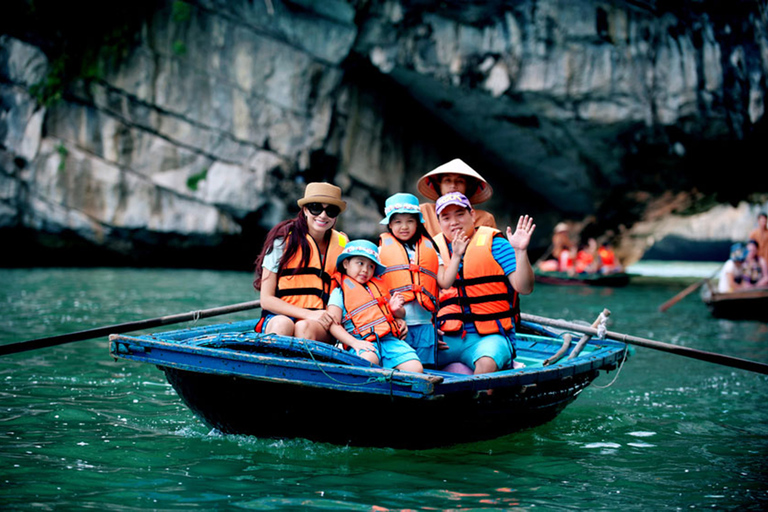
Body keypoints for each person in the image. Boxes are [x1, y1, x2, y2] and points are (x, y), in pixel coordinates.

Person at [432, 192, 536, 375]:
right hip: (447, 339)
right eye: (446, 217)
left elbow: (525, 288)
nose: (454, 222)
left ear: (472, 215)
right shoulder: (433, 251)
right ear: (439, 223)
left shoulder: (496, 244)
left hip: (489, 337)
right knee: (415, 357)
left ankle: (481, 398)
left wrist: (520, 252)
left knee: (486, 363)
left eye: (460, 214)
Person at [377, 193, 467, 367]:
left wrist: (456, 255)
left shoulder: (429, 249)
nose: (404, 227)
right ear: (389, 224)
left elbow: (445, 282)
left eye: (410, 221)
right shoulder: (380, 251)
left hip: (425, 325)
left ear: (418, 222)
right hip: (396, 325)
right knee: (398, 368)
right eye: (397, 222)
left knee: (424, 369)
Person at [253, 182, 348, 342]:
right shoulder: (282, 241)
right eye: (316, 208)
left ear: (336, 216)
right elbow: (266, 299)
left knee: (304, 328)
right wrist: (309, 314)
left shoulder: (343, 244)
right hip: (281, 315)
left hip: (321, 322)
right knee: (283, 325)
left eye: (330, 210)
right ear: (305, 210)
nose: (323, 215)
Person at [327, 240, 424, 373]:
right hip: (361, 341)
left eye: (371, 266)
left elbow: (400, 315)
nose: (365, 270)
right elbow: (333, 324)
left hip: (390, 341)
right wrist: (355, 343)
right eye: (360, 263)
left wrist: (397, 311)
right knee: (368, 361)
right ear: (346, 264)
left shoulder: (378, 287)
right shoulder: (339, 293)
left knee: (415, 368)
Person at [417, 158, 496, 237]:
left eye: (460, 181)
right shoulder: (424, 212)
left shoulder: (484, 218)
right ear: (439, 185)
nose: (453, 186)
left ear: (468, 187)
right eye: (447, 180)